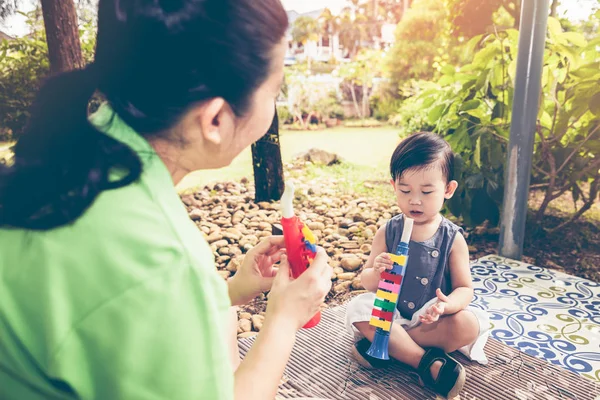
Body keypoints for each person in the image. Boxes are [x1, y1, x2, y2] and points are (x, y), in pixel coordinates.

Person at [0, 1, 332, 399]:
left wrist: (228, 291)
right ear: (215, 121)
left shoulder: (78, 154)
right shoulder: (162, 258)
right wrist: (283, 318)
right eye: (274, 90)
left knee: (222, 314)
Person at [345, 132, 489, 399]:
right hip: (391, 314)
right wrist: (377, 271)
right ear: (393, 186)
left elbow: (465, 289)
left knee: (470, 323)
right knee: (358, 307)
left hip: (430, 320)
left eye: (426, 191)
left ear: (448, 190)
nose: (414, 200)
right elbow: (366, 282)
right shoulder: (388, 232)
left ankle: (385, 346)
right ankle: (424, 362)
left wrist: (445, 306)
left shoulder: (452, 239)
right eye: (405, 190)